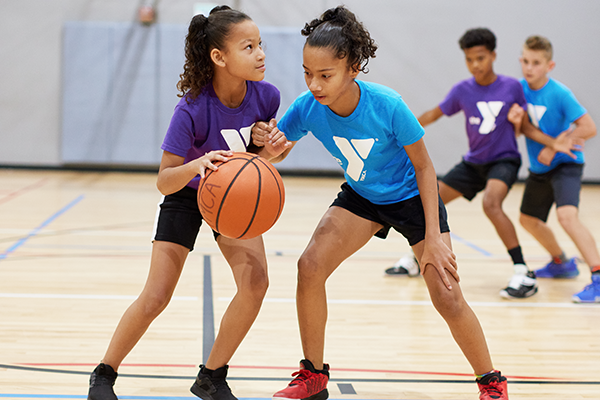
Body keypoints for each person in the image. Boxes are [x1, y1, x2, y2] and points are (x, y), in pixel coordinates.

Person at [253, 7, 509, 400]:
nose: (314, 84)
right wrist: (271, 150)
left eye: (325, 75)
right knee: (309, 267)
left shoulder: (388, 105)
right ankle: (313, 374)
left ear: (353, 68)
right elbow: (279, 149)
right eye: (307, 73)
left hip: (412, 196)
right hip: (363, 196)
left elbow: (425, 167)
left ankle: (491, 381)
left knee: (446, 293)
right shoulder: (307, 107)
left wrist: (436, 236)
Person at [87, 6, 289, 400]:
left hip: (231, 197)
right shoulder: (192, 107)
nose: (261, 53)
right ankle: (104, 374)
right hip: (186, 192)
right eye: (249, 47)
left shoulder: (267, 97)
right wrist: (197, 163)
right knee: (156, 295)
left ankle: (211, 377)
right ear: (219, 57)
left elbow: (259, 162)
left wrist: (274, 151)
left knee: (256, 284)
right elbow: (164, 180)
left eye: (260, 44)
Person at [385, 28, 579, 300]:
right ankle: (418, 257)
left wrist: (552, 142)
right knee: (428, 199)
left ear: (493, 56)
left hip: (504, 160)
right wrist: (399, 132)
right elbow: (434, 114)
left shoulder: (512, 87)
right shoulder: (462, 90)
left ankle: (522, 270)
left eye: (481, 58)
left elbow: (525, 127)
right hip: (473, 162)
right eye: (469, 59)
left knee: (491, 203)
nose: (475, 65)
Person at [509, 35, 599, 303]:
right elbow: (521, 130)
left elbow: (589, 127)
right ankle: (561, 262)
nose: (529, 67)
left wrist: (558, 145)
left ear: (550, 66)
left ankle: (597, 275)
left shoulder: (559, 93)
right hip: (540, 167)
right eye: (525, 61)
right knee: (528, 219)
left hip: (566, 164)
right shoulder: (518, 90)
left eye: (536, 63)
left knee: (567, 216)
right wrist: (515, 123)